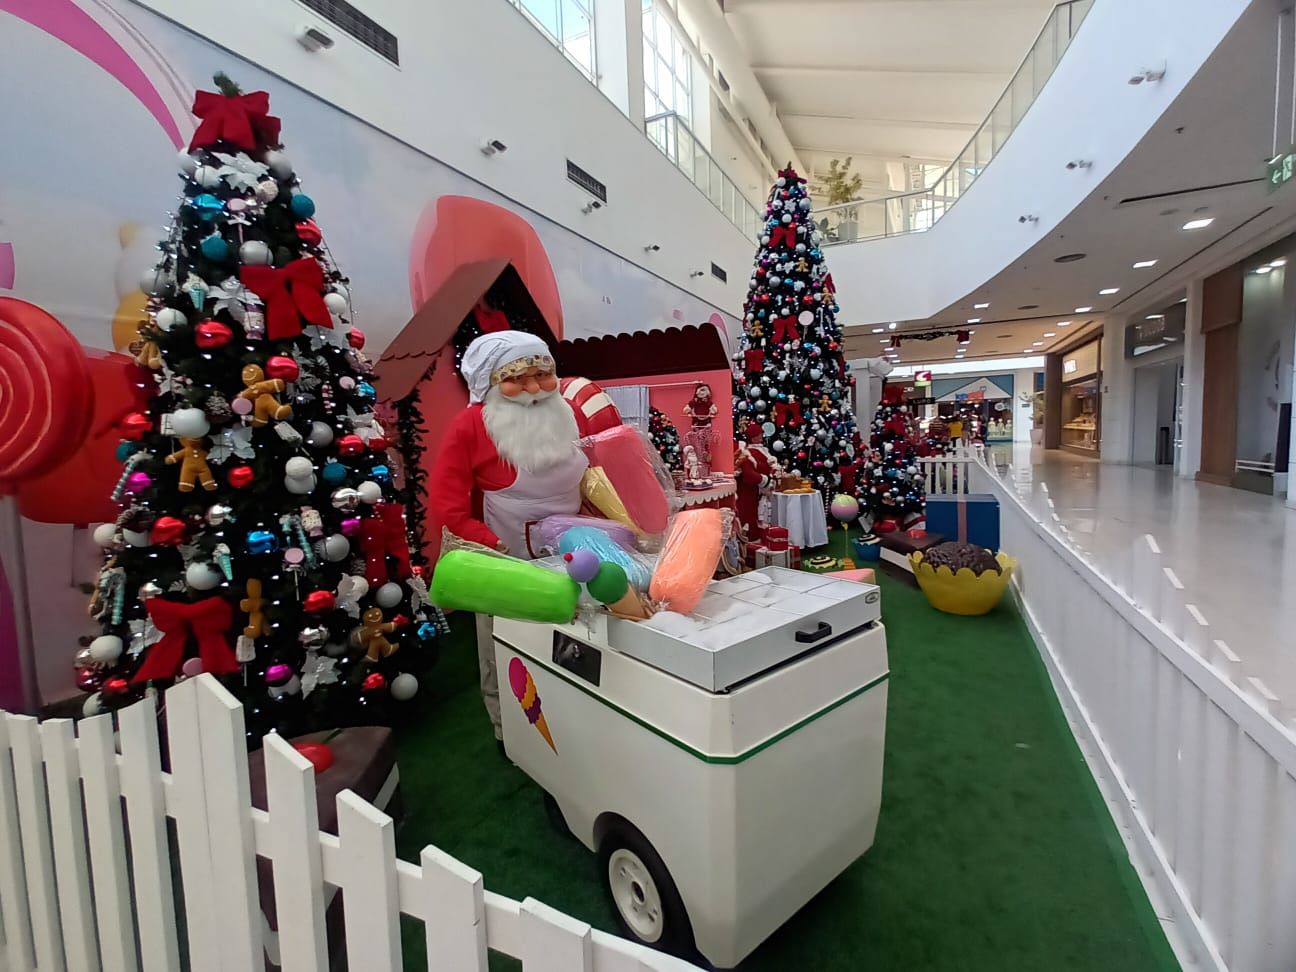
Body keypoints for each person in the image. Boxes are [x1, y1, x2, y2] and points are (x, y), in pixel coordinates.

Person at [430, 331, 587, 740]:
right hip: (506, 561)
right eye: (518, 378)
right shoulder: (471, 426)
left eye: (542, 375)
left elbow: (596, 469)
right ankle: (510, 730)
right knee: (503, 648)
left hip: (574, 556)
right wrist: (484, 541)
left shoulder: (569, 414)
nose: (534, 389)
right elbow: (448, 503)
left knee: (572, 641)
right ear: (490, 382)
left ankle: (574, 718)